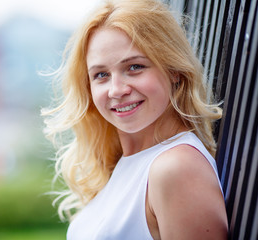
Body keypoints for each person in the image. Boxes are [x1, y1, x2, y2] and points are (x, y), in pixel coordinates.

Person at [42, 0, 228, 239]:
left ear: (173, 71)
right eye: (101, 75)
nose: (116, 90)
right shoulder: (128, 163)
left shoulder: (177, 168)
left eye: (135, 67)